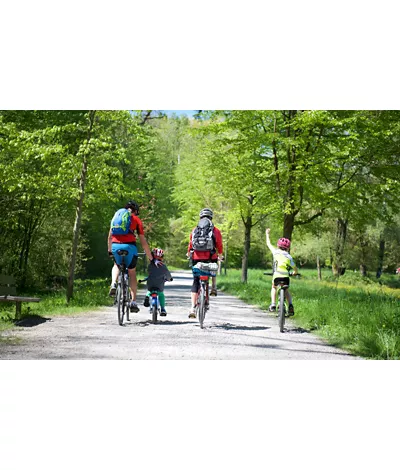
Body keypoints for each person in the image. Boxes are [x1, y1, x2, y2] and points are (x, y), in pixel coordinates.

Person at [107, 200, 154, 313]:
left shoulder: (116, 218)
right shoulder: (136, 220)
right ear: (136, 211)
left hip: (115, 247)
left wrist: (110, 251)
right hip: (130, 248)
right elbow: (143, 242)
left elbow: (109, 237)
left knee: (116, 265)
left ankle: (113, 283)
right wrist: (150, 257)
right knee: (132, 272)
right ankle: (133, 301)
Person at [187, 208, 224, 318]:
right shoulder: (215, 230)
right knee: (213, 268)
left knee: (195, 281)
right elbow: (219, 244)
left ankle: (193, 308)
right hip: (210, 256)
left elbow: (190, 244)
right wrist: (220, 255)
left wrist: (189, 253)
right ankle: (213, 287)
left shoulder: (195, 230)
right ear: (211, 217)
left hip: (196, 257)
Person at [265, 228, 298, 315]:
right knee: (286, 290)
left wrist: (267, 234)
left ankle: (273, 304)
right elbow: (295, 268)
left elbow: (268, 244)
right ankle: (290, 305)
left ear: (278, 245)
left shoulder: (275, 252)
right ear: (288, 248)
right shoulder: (289, 257)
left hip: (276, 275)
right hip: (286, 277)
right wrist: (294, 273)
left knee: (274, 287)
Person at [142, 248, 173, 316]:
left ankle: (147, 296)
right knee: (161, 294)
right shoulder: (163, 266)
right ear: (162, 257)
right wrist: (169, 279)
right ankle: (162, 309)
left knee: (149, 290)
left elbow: (149, 273)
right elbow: (168, 275)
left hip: (150, 282)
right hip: (159, 284)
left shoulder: (150, 265)